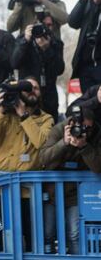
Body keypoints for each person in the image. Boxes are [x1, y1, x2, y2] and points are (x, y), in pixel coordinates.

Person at [0, 77, 53, 251]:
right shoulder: (5, 114)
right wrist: (1, 109)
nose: (32, 91)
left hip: (28, 191)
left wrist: (24, 115)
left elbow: (42, 143)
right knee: (2, 238)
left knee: (31, 238)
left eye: (35, 88)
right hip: (0, 188)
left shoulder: (46, 118)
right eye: (27, 88)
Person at [39, 108, 101, 254]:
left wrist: (84, 146)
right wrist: (64, 143)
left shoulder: (97, 133)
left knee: (74, 234)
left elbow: (98, 167)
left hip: (77, 194)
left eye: (87, 128)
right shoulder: (59, 129)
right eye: (80, 127)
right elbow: (43, 159)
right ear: (71, 123)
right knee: (47, 233)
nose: (83, 131)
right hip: (52, 192)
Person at [11, 14, 65, 122]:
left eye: (49, 25)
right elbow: (14, 63)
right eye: (42, 25)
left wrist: (47, 49)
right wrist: (25, 41)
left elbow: (60, 69)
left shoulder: (56, 43)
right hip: (28, 95)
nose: (45, 29)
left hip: (49, 97)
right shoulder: (23, 41)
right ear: (33, 26)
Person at [69, 0, 101, 93]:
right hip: (85, 67)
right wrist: (83, 0)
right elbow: (72, 22)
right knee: (88, 106)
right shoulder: (88, 3)